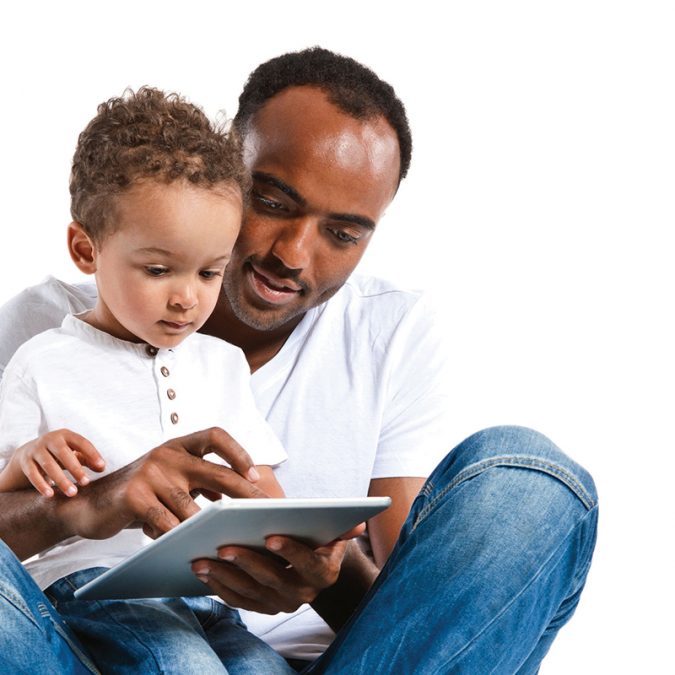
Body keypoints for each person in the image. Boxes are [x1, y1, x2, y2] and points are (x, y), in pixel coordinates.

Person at [0, 47, 598, 674]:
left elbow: (419, 613)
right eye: (275, 201)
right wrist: (78, 505)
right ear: (225, 169)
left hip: (320, 661)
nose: (293, 253)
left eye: (343, 234)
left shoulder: (387, 332)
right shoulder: (47, 330)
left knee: (533, 483)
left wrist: (320, 577)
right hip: (87, 647)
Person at [0, 86, 293, 672]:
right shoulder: (43, 360)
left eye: (210, 272)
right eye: (158, 270)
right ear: (87, 249)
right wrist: (30, 458)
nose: (187, 298)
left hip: (206, 597)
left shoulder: (220, 364)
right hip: (95, 589)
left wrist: (296, 529)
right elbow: (5, 494)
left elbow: (258, 482)